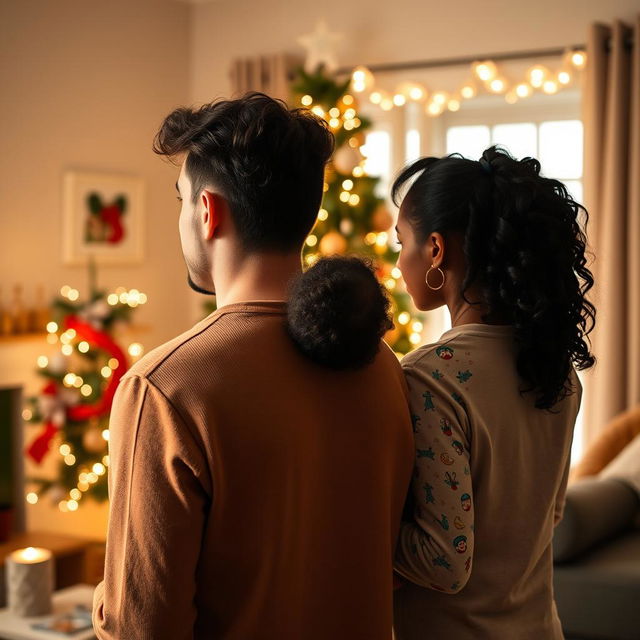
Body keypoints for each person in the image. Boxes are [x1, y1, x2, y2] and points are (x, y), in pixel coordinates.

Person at [92, 93, 414, 640]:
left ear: (208, 211)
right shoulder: (382, 364)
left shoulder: (166, 387)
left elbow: (141, 629)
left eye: (181, 200)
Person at [391, 146, 596, 639]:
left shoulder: (430, 378)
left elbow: (444, 560)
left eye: (401, 242)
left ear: (436, 250)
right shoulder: (559, 373)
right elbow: (548, 517)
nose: (398, 262)